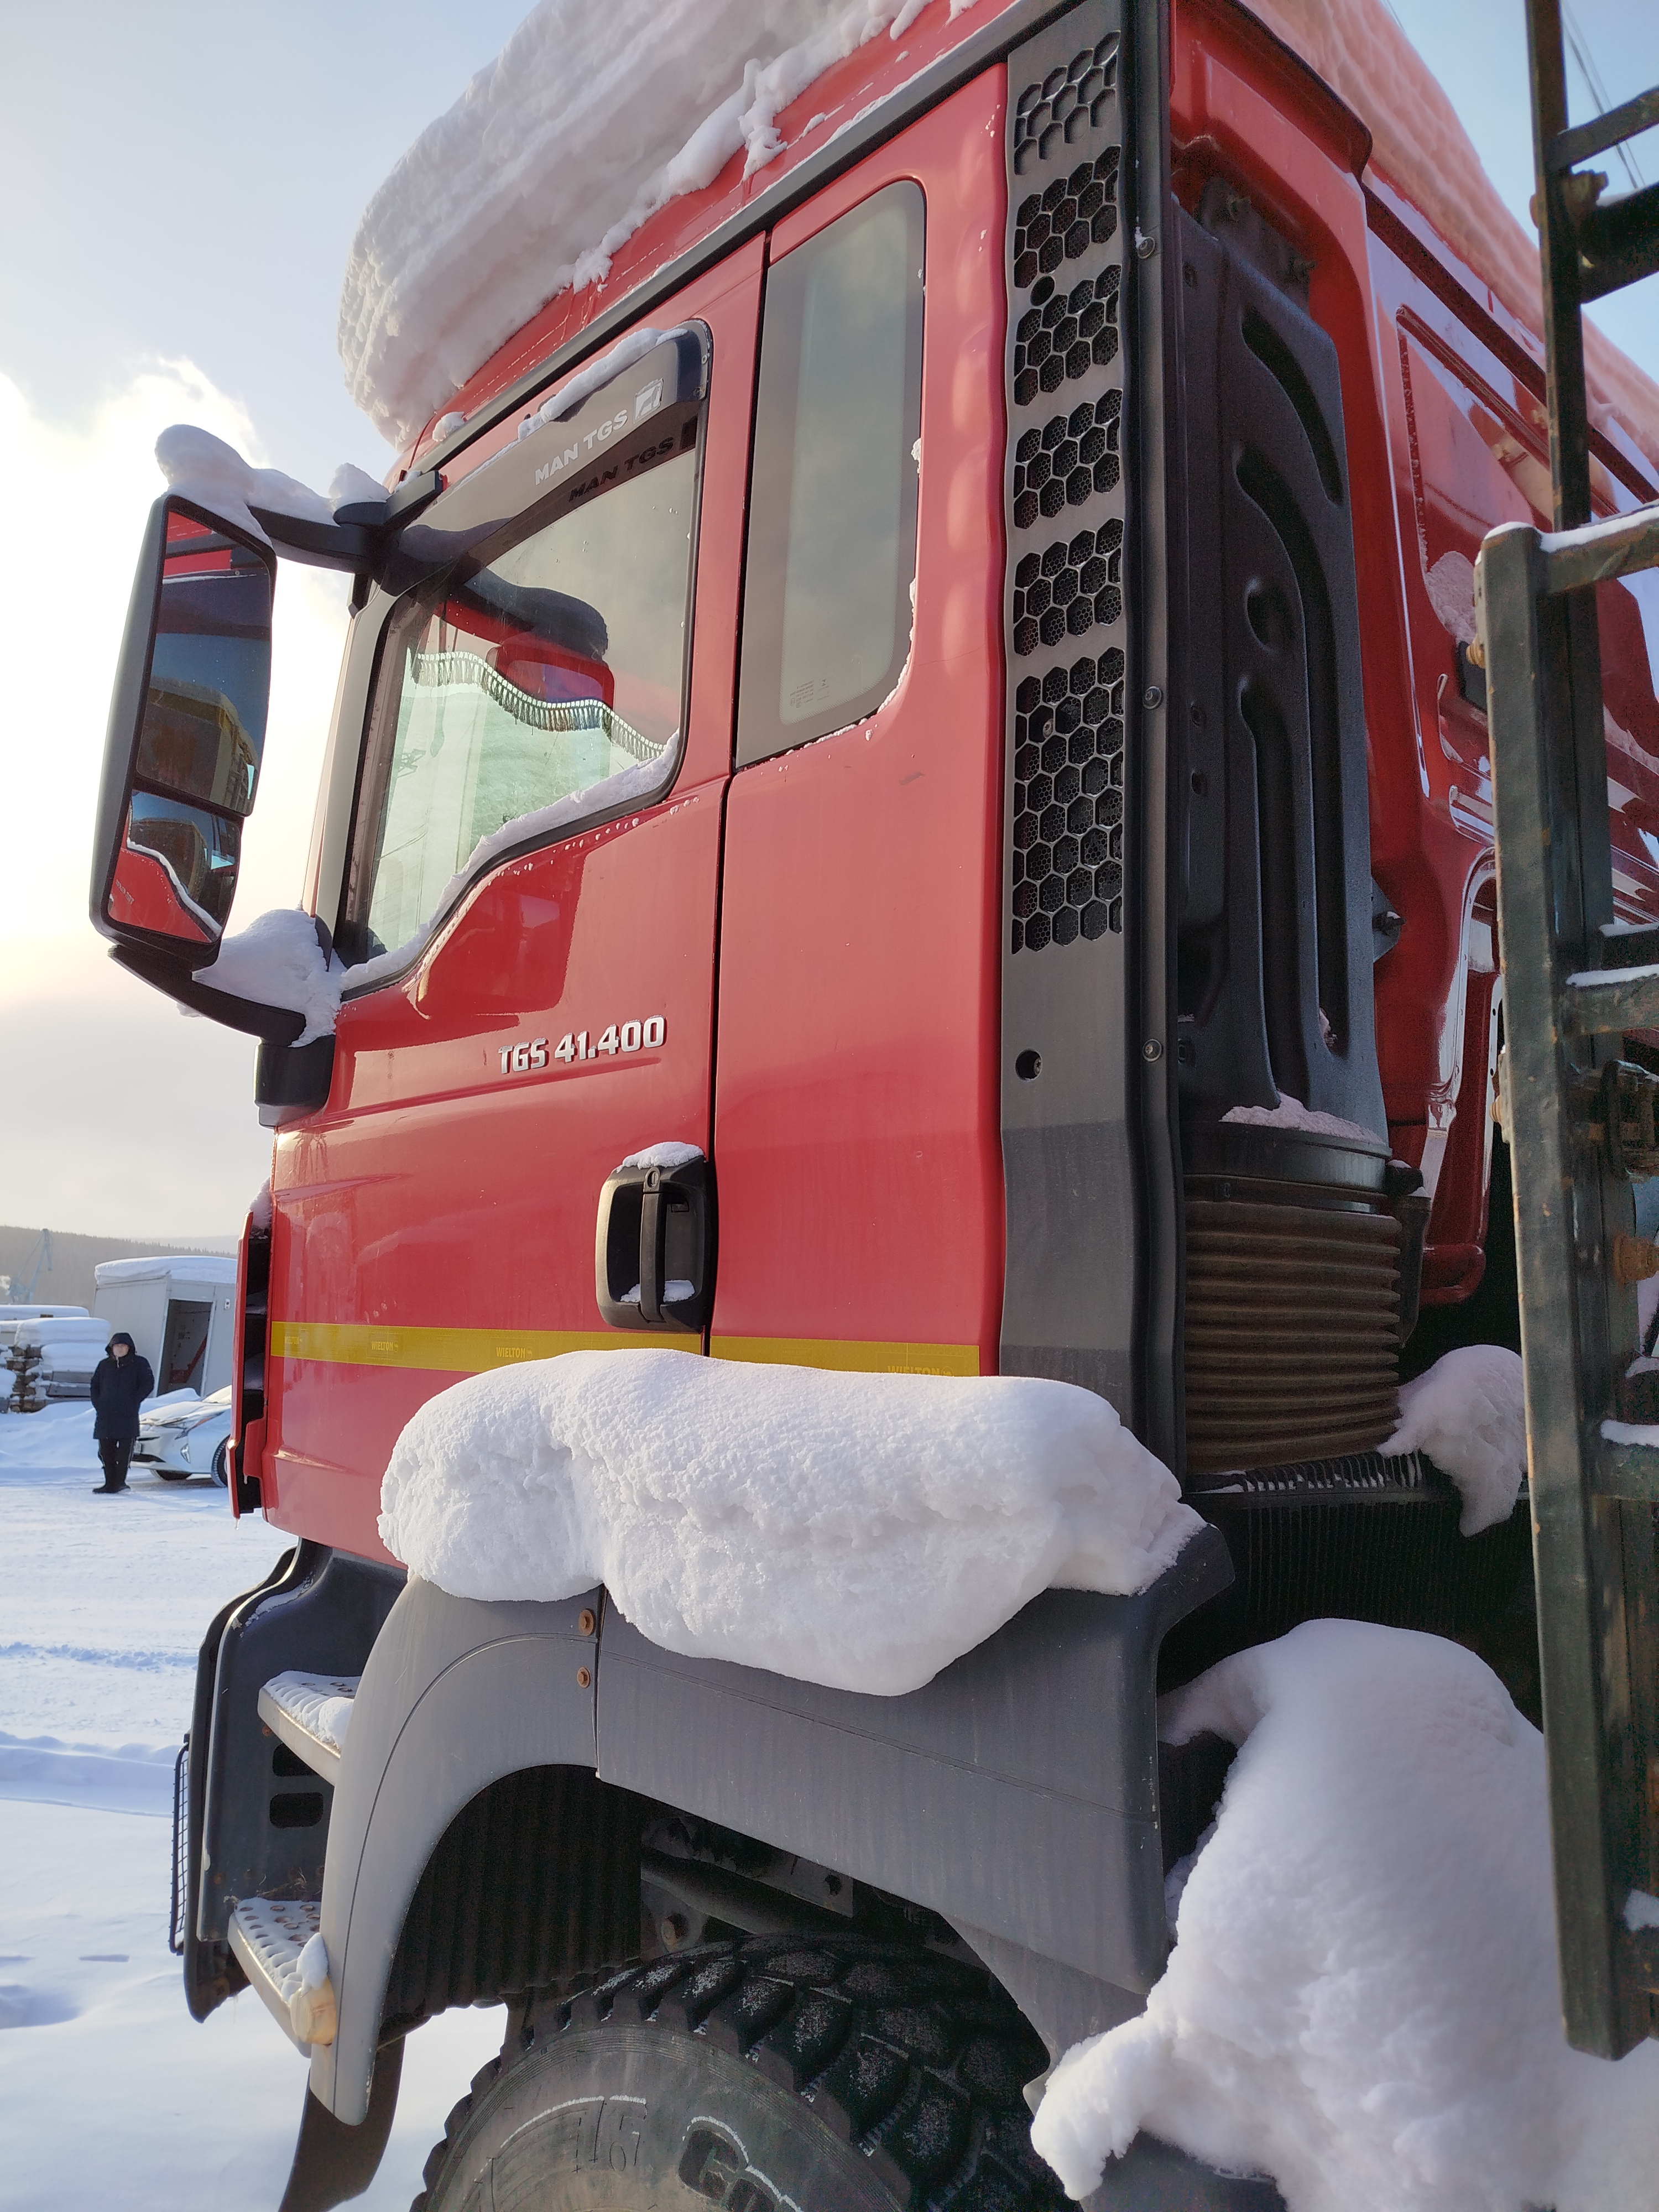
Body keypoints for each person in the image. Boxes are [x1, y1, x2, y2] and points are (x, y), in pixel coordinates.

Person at [90, 1331, 154, 1493]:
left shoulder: (139, 1363)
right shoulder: (104, 1365)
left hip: (128, 1415)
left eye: (123, 1346)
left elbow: (148, 1384)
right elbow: (94, 1386)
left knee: (124, 1453)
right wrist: (99, 1404)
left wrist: (134, 1400)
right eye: (117, 1346)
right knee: (106, 1451)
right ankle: (109, 1483)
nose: (120, 1349)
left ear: (129, 1348)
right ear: (111, 1348)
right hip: (106, 1415)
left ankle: (120, 1483)